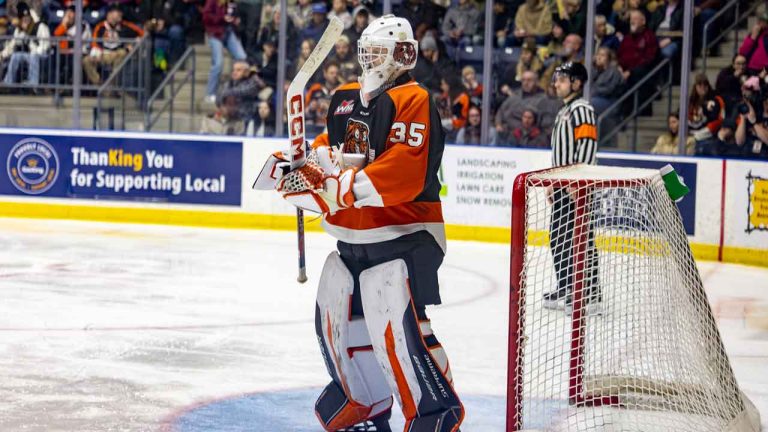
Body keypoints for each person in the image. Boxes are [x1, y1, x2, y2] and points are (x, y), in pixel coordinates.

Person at [261, 14, 464, 432]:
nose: (370, 59)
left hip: (405, 236)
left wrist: (341, 188)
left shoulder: (414, 99)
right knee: (338, 317)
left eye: (378, 52)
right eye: (366, 51)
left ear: (402, 54)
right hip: (352, 238)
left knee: (397, 329)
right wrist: (301, 167)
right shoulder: (346, 97)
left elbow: (405, 171)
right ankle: (365, 407)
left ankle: (435, 414)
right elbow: (330, 150)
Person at [544, 62, 600, 313]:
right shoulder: (565, 110)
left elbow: (587, 146)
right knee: (559, 237)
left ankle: (591, 293)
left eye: (562, 79)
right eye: (557, 79)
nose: (556, 83)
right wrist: (553, 181)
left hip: (575, 186)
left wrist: (580, 182)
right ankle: (568, 285)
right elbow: (560, 153)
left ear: (577, 83)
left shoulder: (581, 109)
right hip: (562, 186)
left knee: (580, 238)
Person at [83, 5, 144, 86]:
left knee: (122, 53)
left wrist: (135, 42)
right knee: (86, 60)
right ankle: (99, 84)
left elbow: (142, 33)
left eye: (120, 13)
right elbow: (94, 42)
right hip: (104, 54)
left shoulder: (126, 25)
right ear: (109, 14)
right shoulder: (100, 26)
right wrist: (96, 54)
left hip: (117, 53)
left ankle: (112, 84)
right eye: (117, 12)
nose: (120, 14)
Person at [203, 0, 247, 103]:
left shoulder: (231, 2)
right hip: (215, 33)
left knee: (242, 58)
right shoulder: (212, 1)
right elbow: (206, 17)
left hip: (228, 31)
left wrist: (235, 20)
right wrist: (221, 18)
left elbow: (232, 15)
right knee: (218, 63)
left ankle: (236, 91)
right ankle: (210, 93)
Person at [1, 2, 49, 86]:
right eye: (24, 19)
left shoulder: (40, 26)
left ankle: (33, 84)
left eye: (27, 18)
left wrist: (34, 49)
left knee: (33, 56)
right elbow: (12, 45)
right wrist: (2, 55)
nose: (26, 20)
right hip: (28, 55)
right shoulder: (19, 30)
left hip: (41, 55)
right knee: (16, 56)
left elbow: (45, 46)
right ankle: (8, 82)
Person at [495, 70, 545, 145]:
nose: (526, 83)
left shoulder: (542, 99)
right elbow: (501, 111)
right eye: (523, 80)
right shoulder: (515, 95)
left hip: (524, 136)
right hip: (504, 133)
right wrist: (498, 124)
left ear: (536, 82)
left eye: (529, 80)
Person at [688, 73, 725, 156]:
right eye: (699, 85)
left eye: (705, 85)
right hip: (691, 133)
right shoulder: (690, 101)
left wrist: (706, 108)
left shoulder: (714, 100)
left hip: (707, 134)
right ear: (695, 87)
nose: (703, 87)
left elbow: (717, 119)